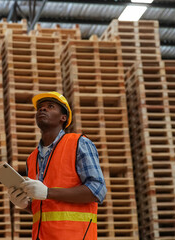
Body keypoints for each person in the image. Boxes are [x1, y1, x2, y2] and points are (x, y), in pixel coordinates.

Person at [8, 91, 106, 240]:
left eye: (50, 106)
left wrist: (48, 192)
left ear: (63, 118)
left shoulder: (78, 143)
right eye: (40, 107)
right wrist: (25, 205)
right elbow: (47, 207)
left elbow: (97, 190)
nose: (42, 109)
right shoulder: (32, 158)